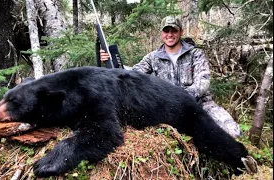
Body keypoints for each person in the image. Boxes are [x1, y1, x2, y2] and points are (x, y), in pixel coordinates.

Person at [100, 15, 242, 138]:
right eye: (166, 31)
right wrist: (110, 61)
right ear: (161, 33)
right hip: (169, 108)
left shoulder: (195, 54)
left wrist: (181, 98)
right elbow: (133, 74)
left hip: (200, 104)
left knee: (233, 131)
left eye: (174, 30)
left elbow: (203, 82)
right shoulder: (153, 57)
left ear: (181, 32)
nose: (170, 34)